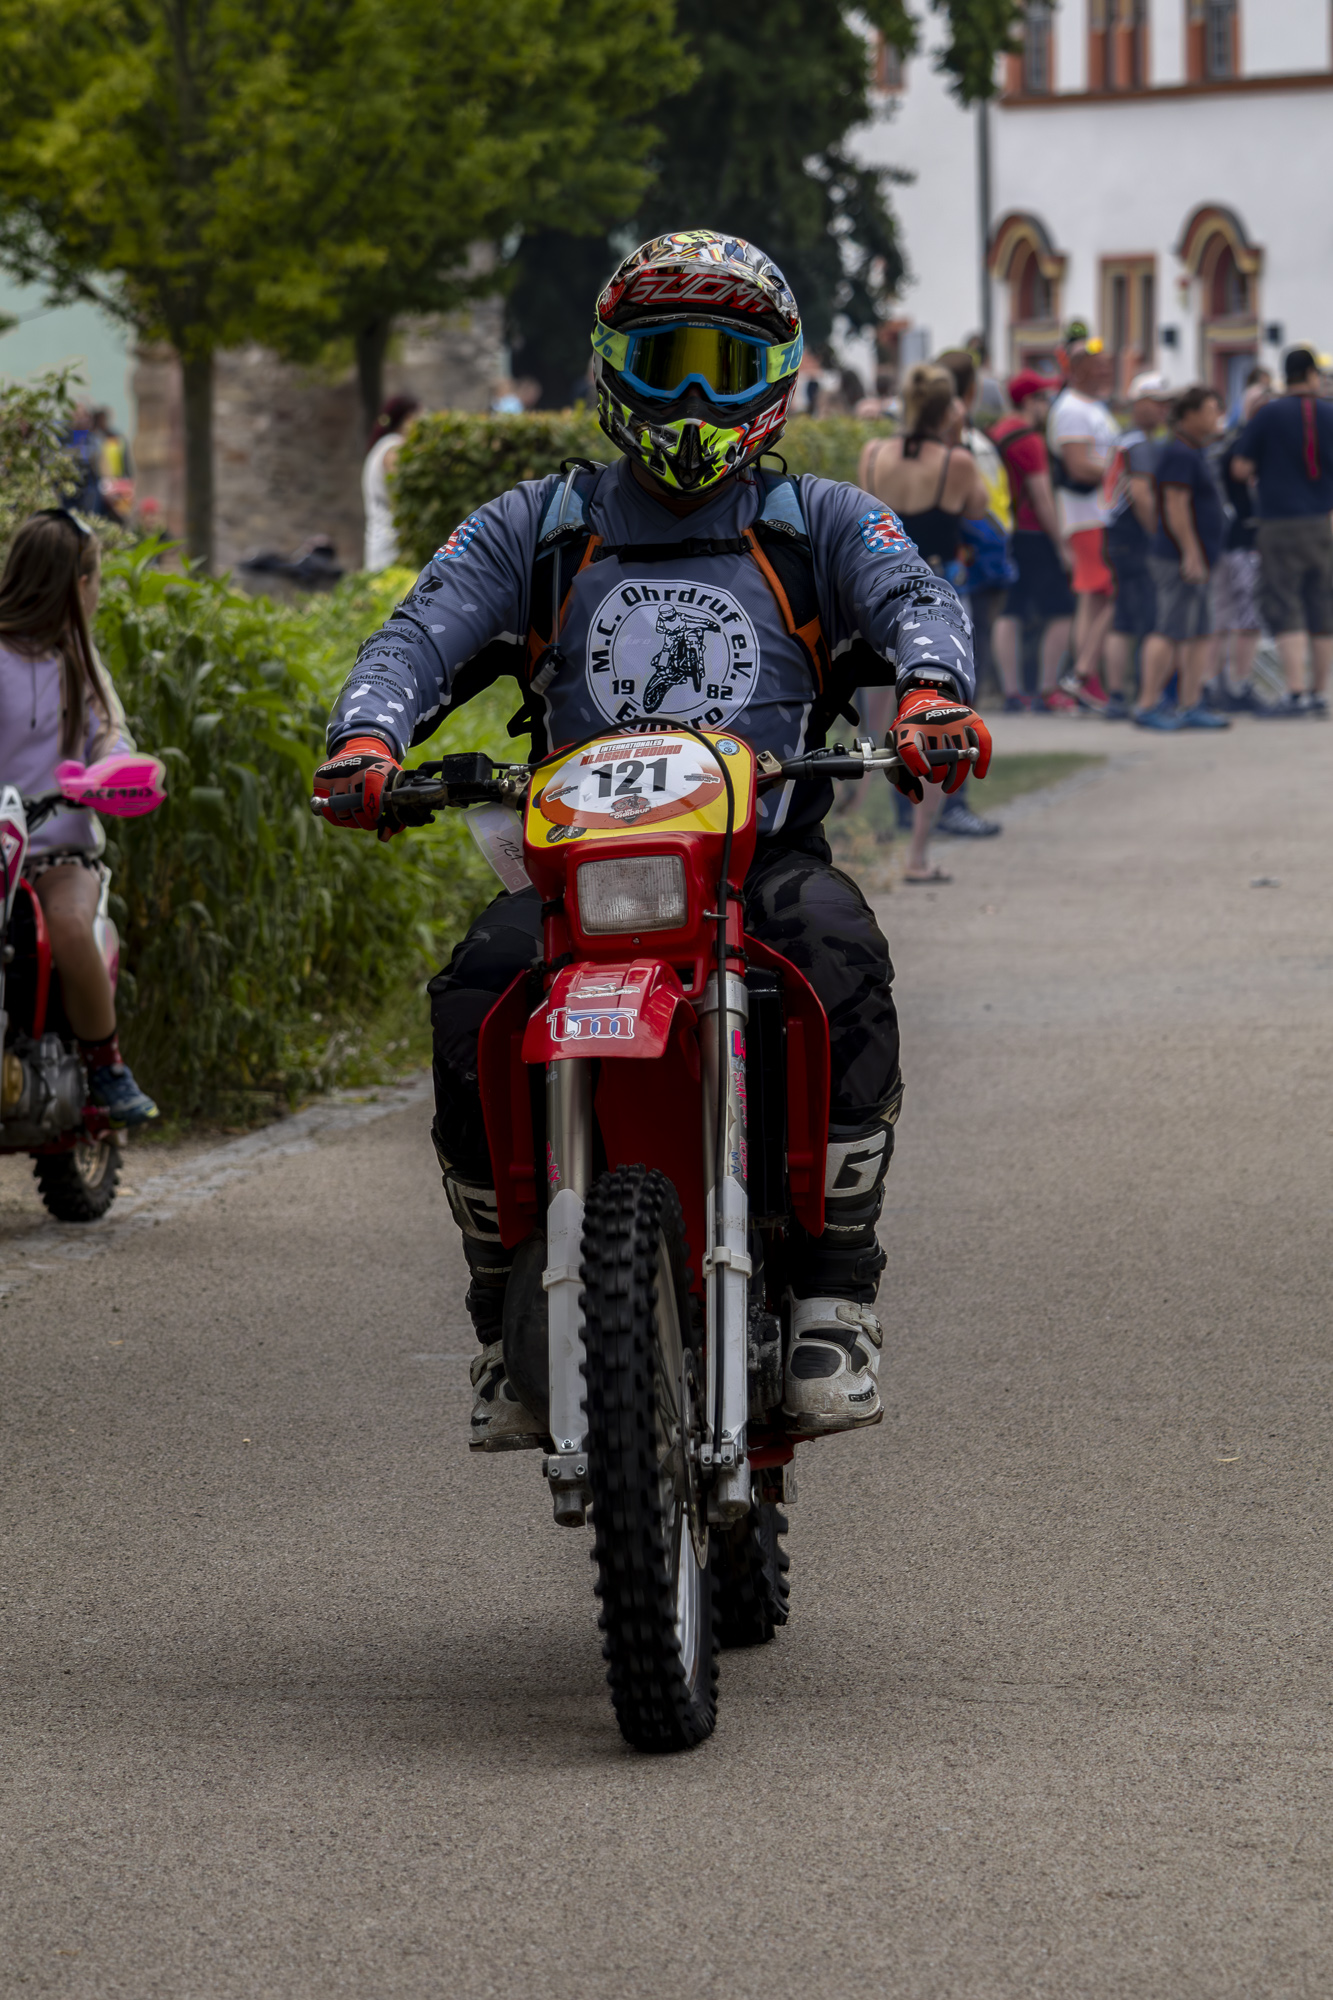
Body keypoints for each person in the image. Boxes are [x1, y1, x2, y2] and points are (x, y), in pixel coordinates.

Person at [314, 229, 986, 1445]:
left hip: (757, 866)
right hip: (576, 879)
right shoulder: (537, 525)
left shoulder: (819, 520)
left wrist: (931, 693)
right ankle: (501, 1312)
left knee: (839, 953)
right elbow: (417, 631)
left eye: (720, 367)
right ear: (611, 365)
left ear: (770, 380)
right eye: (662, 360)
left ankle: (834, 1292)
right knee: (475, 996)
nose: (688, 396)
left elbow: (916, 597)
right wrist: (367, 737)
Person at [0, 511, 158, 1124]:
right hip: (1, 847)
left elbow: (110, 732)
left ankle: (106, 1064)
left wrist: (109, 769)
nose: (97, 591)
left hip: (57, 851)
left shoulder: (77, 660)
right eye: (96, 578)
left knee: (68, 924)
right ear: (76, 584)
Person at [858, 362, 992, 875]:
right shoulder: (956, 461)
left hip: (878, 598)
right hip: (937, 600)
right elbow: (977, 509)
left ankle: (859, 824)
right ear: (947, 409)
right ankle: (917, 854)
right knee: (939, 721)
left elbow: (863, 520)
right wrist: (956, 440)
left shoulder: (873, 454)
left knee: (876, 719)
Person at [933, 345, 1012, 837]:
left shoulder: (886, 452)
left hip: (912, 584)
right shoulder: (961, 455)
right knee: (958, 695)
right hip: (958, 580)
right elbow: (981, 508)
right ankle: (951, 805)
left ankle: (907, 808)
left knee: (913, 696)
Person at [1231, 346, 1333, 717]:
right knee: (1321, 606)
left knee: (1284, 602)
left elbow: (1240, 467)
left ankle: (1295, 691)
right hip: (1322, 520)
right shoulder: (1330, 412)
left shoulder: (1268, 414)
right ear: (1311, 374)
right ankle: (1319, 693)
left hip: (1279, 521)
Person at [1136, 385, 1230, 731]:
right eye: (1210, 409)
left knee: (1199, 631)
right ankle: (1147, 704)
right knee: (1170, 628)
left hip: (1201, 556)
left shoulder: (1195, 451)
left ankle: (1191, 702)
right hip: (1177, 557)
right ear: (1190, 414)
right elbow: (1175, 505)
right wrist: (1190, 551)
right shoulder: (1179, 453)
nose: (1216, 416)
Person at [991, 372, 1076, 713]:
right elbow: (1042, 498)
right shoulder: (1030, 440)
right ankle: (1048, 689)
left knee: (1009, 611)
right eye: (1044, 399)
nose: (1048, 406)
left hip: (1005, 532)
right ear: (1029, 402)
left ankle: (1012, 693)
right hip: (1034, 533)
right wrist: (1062, 545)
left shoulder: (997, 433)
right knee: (1062, 612)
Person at [1048, 338, 1119, 709]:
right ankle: (1083, 673)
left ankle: (1087, 677)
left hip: (1097, 513)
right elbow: (1078, 465)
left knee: (1094, 598)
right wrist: (1124, 473)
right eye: (1098, 364)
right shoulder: (1072, 409)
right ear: (1077, 369)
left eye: (1108, 363)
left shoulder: (1090, 406)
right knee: (1109, 593)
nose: (1106, 370)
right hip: (1088, 514)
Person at [1100, 371, 1173, 720]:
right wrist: (1158, 533)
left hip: (1117, 535)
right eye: (1156, 403)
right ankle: (1144, 695)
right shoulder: (1139, 444)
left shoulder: (1124, 439)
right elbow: (1141, 493)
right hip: (1134, 537)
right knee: (1144, 618)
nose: (1163, 410)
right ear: (1139, 403)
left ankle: (1118, 693)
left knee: (1123, 617)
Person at [1210, 380, 1271, 712]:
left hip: (1227, 539)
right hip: (1244, 542)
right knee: (1246, 616)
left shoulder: (1230, 443)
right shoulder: (1248, 446)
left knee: (1223, 615)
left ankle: (1215, 684)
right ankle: (1237, 684)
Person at [361, 395, 420, 573]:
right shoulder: (394, 448)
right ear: (408, 419)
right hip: (392, 545)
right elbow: (404, 493)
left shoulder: (381, 446)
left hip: (380, 541)